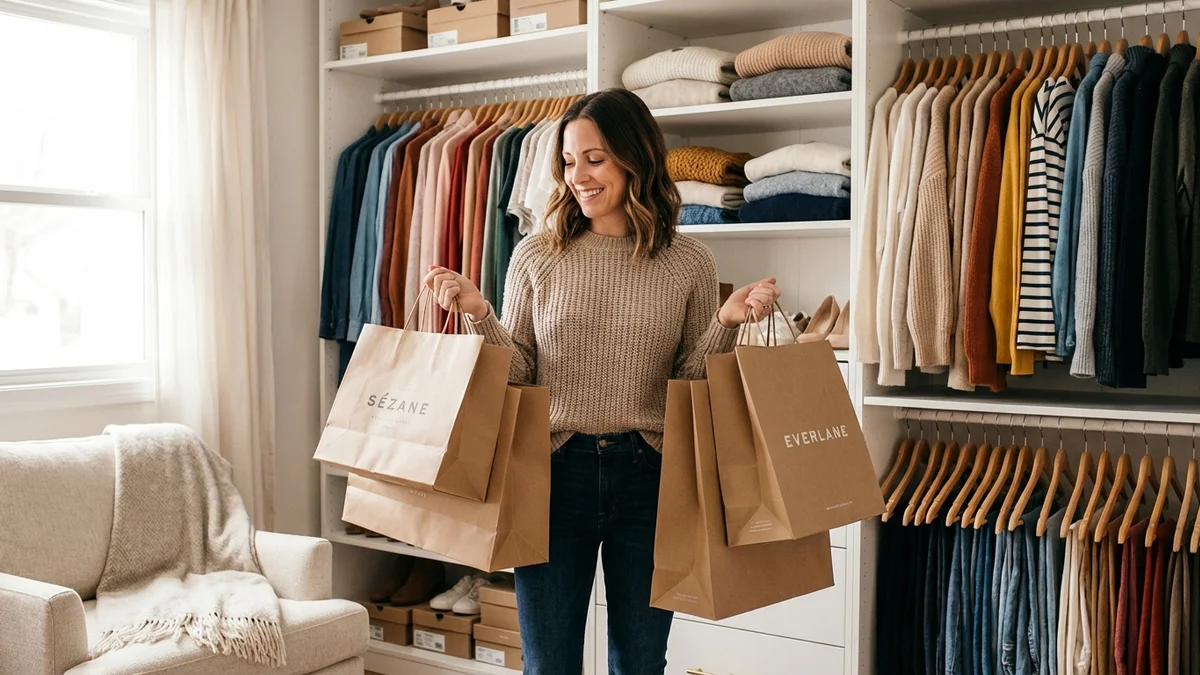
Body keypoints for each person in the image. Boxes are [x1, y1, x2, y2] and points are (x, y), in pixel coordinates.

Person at [423, 88, 780, 675]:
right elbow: (519, 375)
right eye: (568, 161)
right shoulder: (536, 255)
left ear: (633, 158)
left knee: (640, 664)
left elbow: (688, 386)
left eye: (595, 159)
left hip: (650, 476)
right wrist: (478, 313)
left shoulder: (689, 262)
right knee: (548, 664)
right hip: (552, 473)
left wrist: (725, 323)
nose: (578, 176)